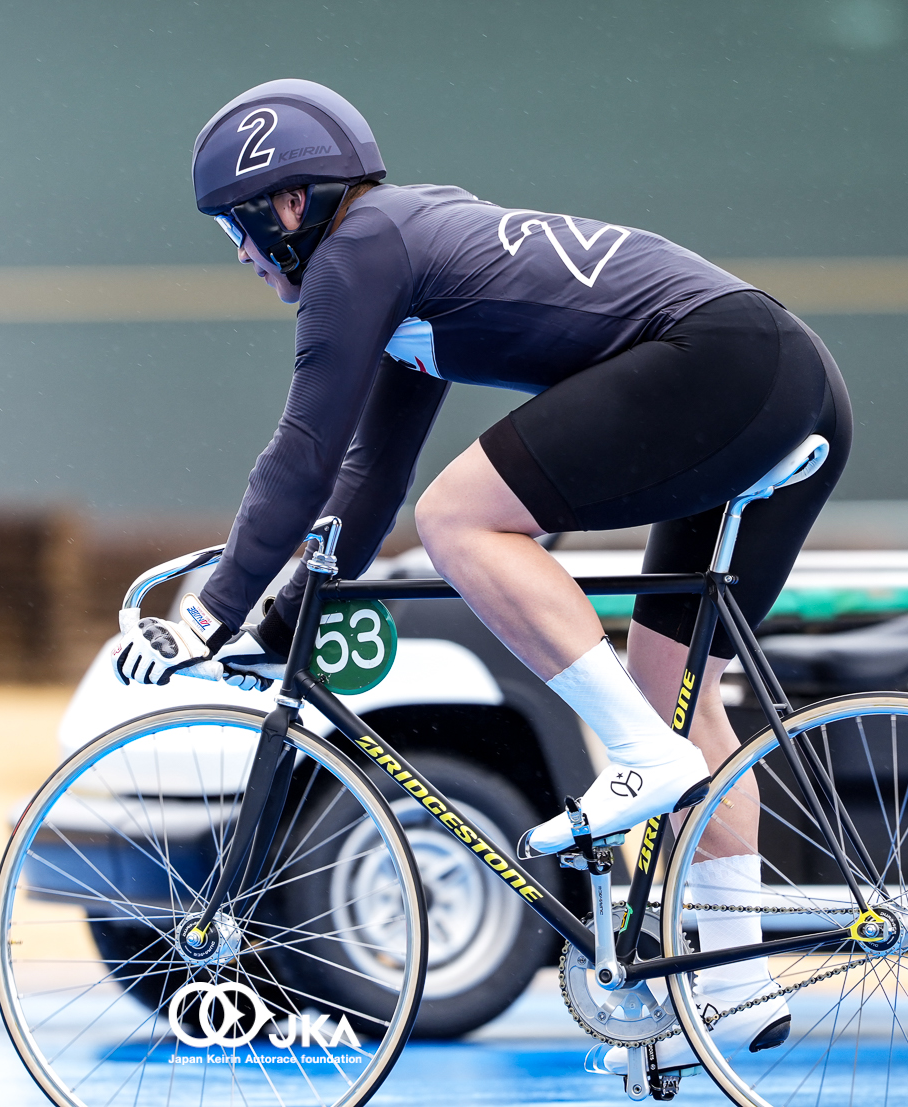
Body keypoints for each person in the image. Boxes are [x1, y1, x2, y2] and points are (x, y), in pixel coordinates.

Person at [114, 78, 851, 1066]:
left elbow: (299, 451)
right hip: (783, 376)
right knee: (678, 695)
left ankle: (640, 751)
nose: (242, 254)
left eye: (236, 228)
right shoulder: (399, 253)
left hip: (725, 363)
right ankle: (733, 982)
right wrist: (281, 620)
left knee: (462, 519)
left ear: (288, 205)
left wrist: (205, 618)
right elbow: (364, 479)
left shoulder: (358, 252)